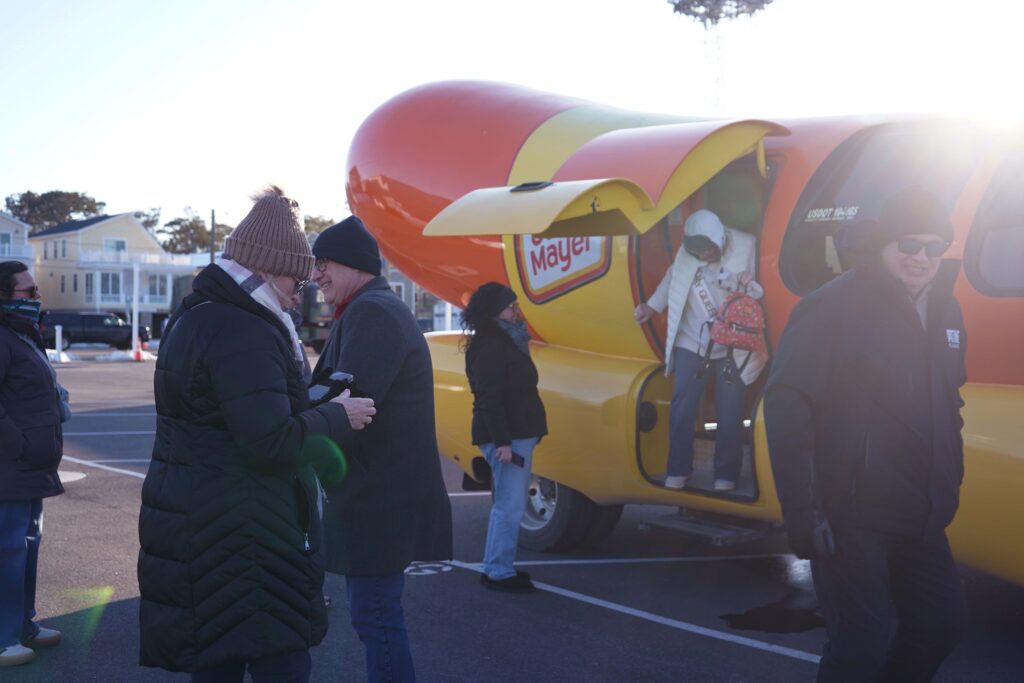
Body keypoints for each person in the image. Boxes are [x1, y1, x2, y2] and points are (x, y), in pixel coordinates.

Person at [138, 187, 375, 682]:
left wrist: (308, 403)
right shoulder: (243, 327)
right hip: (246, 536)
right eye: (296, 275)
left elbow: (233, 417)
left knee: (218, 660)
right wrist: (337, 416)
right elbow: (271, 442)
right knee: (279, 661)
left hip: (209, 526)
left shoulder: (200, 315)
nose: (302, 288)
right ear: (267, 269)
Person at [763, 186, 968, 682]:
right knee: (860, 650)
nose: (921, 257)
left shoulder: (946, 311)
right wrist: (803, 512)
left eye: (933, 246)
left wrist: (947, 482)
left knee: (939, 628)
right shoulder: (832, 307)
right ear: (883, 244)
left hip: (920, 512)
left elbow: (947, 402)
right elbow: (786, 404)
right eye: (909, 245)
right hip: (850, 515)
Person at [310, 216, 452, 683]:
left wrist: (293, 417)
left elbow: (353, 402)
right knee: (375, 617)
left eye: (323, 263)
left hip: (379, 502)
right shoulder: (369, 309)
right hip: (379, 498)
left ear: (353, 263)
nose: (315, 275)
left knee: (376, 618)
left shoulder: (373, 313)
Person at [634, 209, 766, 491]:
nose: (703, 255)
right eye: (697, 250)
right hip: (691, 342)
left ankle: (726, 475)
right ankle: (677, 470)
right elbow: (673, 279)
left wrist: (735, 280)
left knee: (729, 409)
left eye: (708, 249)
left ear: (719, 241)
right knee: (682, 407)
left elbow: (757, 290)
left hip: (732, 345)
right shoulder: (686, 254)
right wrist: (651, 306)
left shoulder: (746, 247)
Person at [0, 261, 69, 668]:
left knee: (27, 546)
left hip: (32, 467)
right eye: (28, 292)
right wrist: (18, 443)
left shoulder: (23, 334)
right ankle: (4, 636)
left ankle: (23, 625)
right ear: (5, 296)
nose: (37, 296)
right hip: (11, 466)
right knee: (7, 551)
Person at [462, 283, 547, 593]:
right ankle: (499, 571)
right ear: (494, 311)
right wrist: (503, 442)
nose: (517, 312)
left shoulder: (502, 341)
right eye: (511, 307)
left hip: (514, 434)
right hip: (507, 437)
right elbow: (489, 397)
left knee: (507, 504)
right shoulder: (492, 345)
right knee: (509, 506)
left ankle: (497, 566)